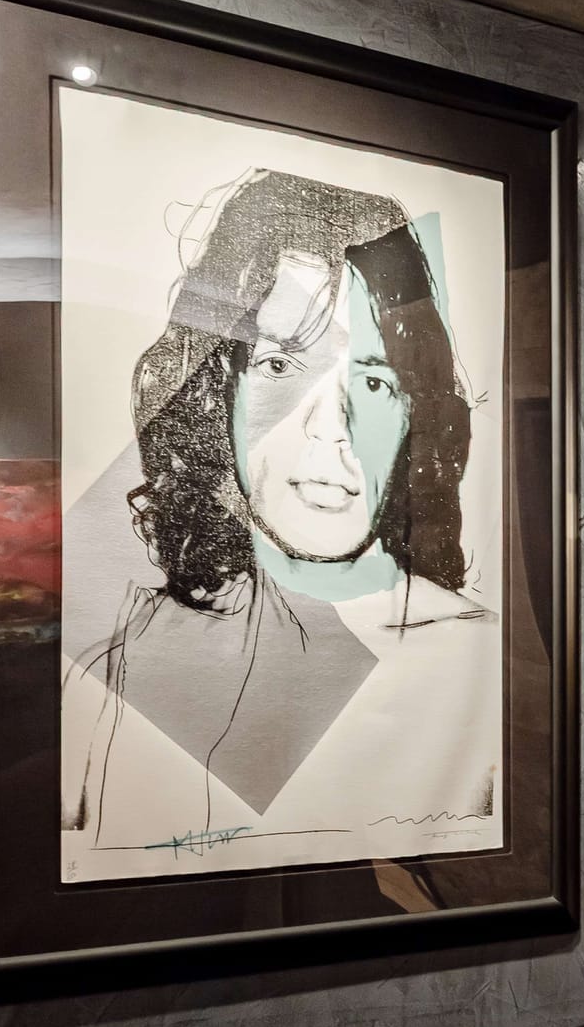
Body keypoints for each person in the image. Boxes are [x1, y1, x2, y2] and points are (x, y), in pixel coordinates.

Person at [61, 167, 500, 878]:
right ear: (217, 392)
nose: (330, 428)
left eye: (376, 380)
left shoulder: (478, 673)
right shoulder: (116, 671)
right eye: (279, 364)